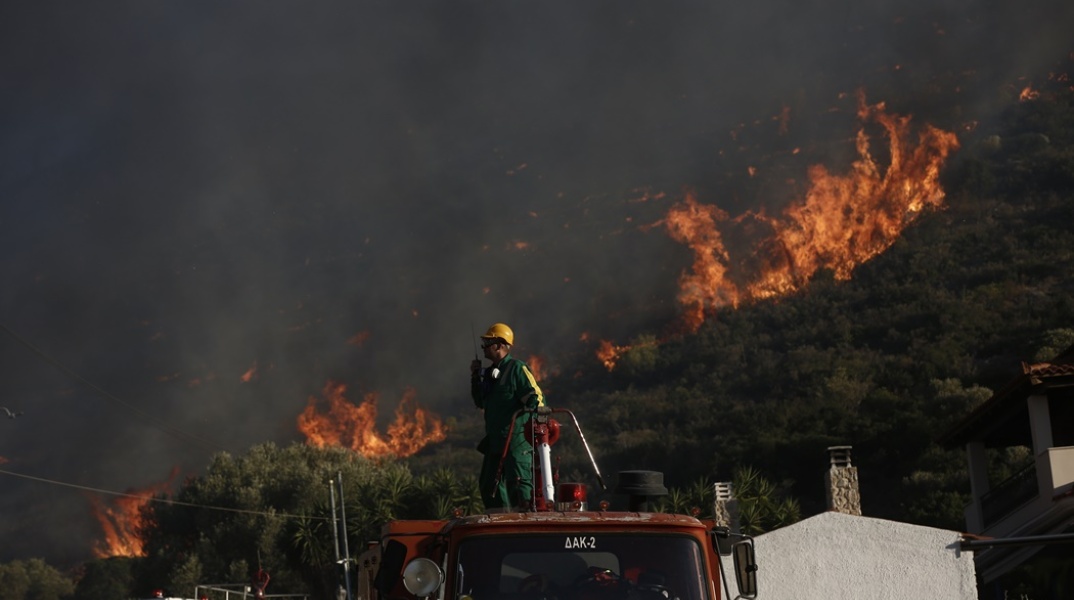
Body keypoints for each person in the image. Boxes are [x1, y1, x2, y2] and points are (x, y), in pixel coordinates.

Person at [470, 322, 545, 509]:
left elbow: (537, 398)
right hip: (495, 440)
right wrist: (475, 377)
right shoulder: (489, 375)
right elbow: (480, 401)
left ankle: (525, 524)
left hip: (516, 440)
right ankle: (499, 524)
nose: (484, 348)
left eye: (488, 343)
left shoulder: (517, 369)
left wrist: (532, 422)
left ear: (500, 345)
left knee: (519, 484)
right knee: (489, 485)